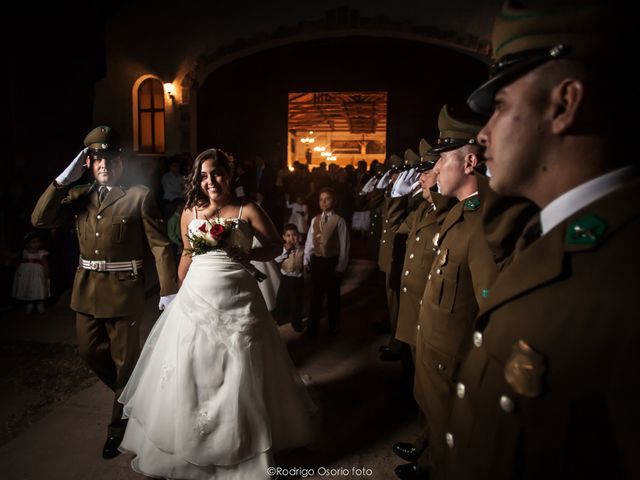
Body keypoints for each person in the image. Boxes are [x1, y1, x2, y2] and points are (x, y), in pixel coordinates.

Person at [443, 3, 639, 479]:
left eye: (502, 106)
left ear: (564, 105)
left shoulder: (626, 276)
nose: (482, 136)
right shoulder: (546, 230)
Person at [118, 148, 318, 479]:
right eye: (204, 175)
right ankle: (190, 443)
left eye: (218, 173)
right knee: (193, 364)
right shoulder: (190, 211)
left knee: (240, 366)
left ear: (230, 173)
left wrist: (248, 252)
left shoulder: (248, 209)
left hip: (238, 297)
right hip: (197, 295)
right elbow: (186, 252)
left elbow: (275, 247)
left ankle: (241, 445)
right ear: (197, 180)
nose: (211, 181)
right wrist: (176, 293)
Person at [31, 125, 179, 459]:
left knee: (125, 366)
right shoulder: (79, 195)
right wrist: (61, 181)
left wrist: (169, 290)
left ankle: (118, 429)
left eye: (110, 159)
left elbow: (160, 247)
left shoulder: (139, 196)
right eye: (96, 159)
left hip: (124, 294)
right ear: (88, 163)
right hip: (86, 293)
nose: (104, 165)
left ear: (121, 163)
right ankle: (140, 397)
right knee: (89, 352)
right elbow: (40, 219)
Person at [303, 187, 350, 337]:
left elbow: (344, 246)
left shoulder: (339, 221)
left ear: (333, 201)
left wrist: (341, 266)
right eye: (321, 199)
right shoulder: (314, 220)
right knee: (316, 296)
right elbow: (309, 242)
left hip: (332, 262)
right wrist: (306, 260)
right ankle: (312, 329)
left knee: (333, 296)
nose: (323, 202)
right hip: (317, 261)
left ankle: (334, 326)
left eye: (327, 199)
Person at [275, 223, 305, 332]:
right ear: (284, 237)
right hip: (285, 278)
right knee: (281, 300)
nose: (291, 238)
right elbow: (277, 260)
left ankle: (296, 322)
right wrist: (285, 251)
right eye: (288, 235)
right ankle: (280, 317)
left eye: (294, 235)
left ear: (299, 237)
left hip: (298, 279)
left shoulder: (303, 249)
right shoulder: (282, 249)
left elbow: (305, 262)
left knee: (296, 302)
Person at [12, 231, 50, 314]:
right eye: (33, 242)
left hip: (37, 273)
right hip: (26, 273)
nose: (36, 244)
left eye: (38, 242)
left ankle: (40, 304)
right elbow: (15, 258)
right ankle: (30, 303)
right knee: (29, 286)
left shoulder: (41, 253)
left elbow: (45, 263)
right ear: (27, 244)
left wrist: (46, 273)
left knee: (37, 286)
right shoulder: (24, 252)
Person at [161, 155, 185, 219]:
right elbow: (168, 190)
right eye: (174, 166)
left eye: (178, 166)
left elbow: (184, 190)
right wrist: (180, 189)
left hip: (180, 200)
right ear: (170, 166)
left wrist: (180, 190)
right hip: (169, 200)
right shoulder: (166, 177)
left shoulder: (181, 177)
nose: (176, 167)